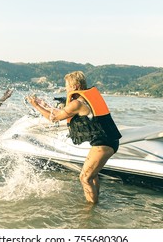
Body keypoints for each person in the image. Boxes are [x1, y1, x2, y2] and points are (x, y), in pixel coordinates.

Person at [27, 71, 121, 204]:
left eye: (67, 86)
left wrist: (36, 106)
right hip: (109, 141)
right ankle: (96, 200)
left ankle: (90, 211)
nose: (66, 89)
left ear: (75, 86)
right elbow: (62, 112)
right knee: (92, 176)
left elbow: (53, 118)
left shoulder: (77, 103)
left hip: (103, 144)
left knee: (85, 178)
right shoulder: (84, 100)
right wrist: (45, 105)